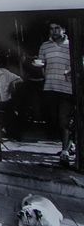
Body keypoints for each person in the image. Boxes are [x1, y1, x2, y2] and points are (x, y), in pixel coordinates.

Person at [37, 22, 74, 166]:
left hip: (67, 88)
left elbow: (79, 62)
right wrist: (42, 71)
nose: (54, 31)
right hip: (50, 87)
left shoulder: (71, 45)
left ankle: (65, 152)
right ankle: (70, 143)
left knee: (63, 120)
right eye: (51, 29)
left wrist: (70, 71)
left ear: (63, 29)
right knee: (54, 120)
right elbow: (41, 63)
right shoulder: (45, 46)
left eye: (57, 28)